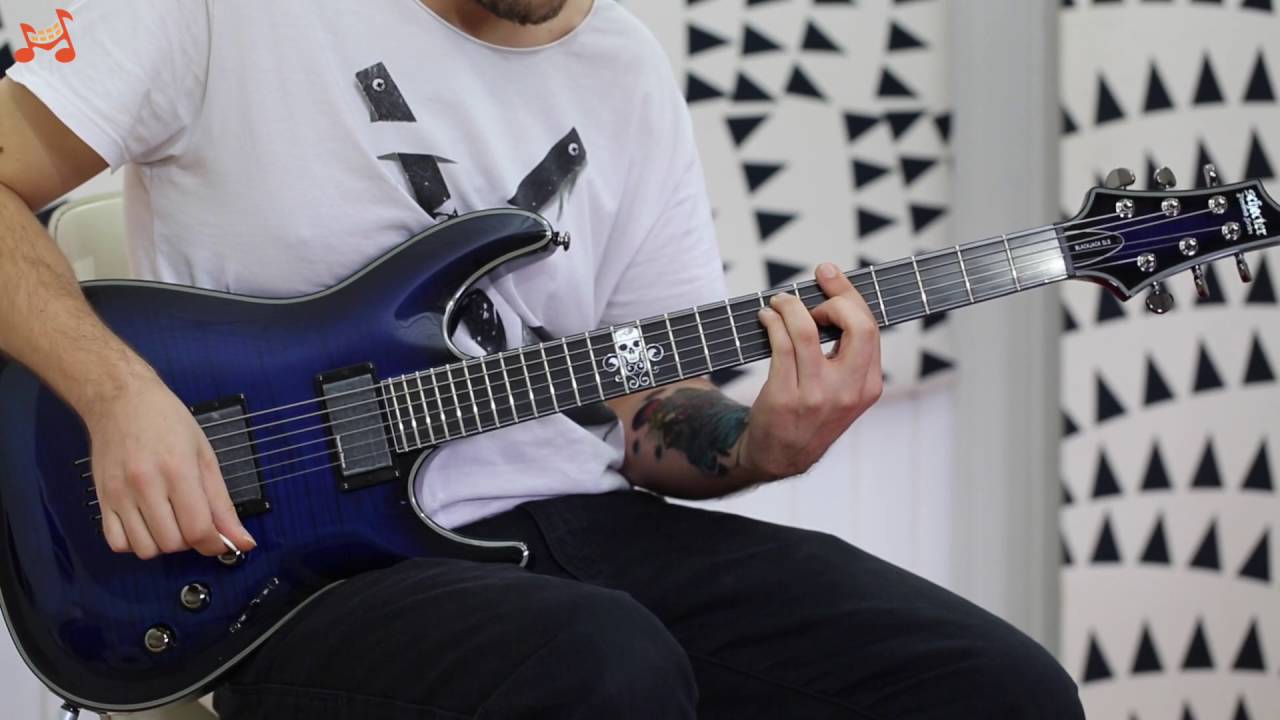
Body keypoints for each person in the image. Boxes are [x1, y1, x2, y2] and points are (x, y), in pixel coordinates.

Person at [0, 1, 1084, 717]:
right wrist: (117, 394)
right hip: (296, 569)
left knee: (994, 689)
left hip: (574, 529)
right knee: (602, 667)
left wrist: (760, 444)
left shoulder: (624, 68)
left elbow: (654, 410)